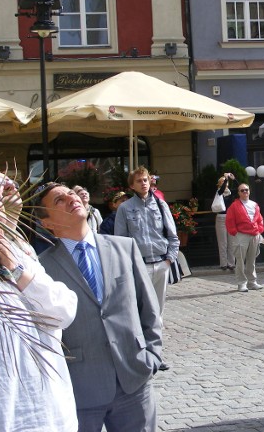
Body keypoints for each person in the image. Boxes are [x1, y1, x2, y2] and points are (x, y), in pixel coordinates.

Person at [35, 182, 163, 431]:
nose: (71, 198)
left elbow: (149, 308)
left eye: (70, 193)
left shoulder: (124, 247)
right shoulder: (41, 268)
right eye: (59, 200)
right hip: (79, 389)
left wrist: (152, 356)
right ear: (47, 223)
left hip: (134, 380)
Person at [0, 178, 79, 432]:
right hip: (0, 422)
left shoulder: (19, 257)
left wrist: (18, 271)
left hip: (56, 417)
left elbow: (64, 311)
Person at [115, 166, 179, 331]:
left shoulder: (160, 205)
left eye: (145, 180)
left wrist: (169, 260)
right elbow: (121, 241)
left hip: (161, 262)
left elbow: (172, 235)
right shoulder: (125, 208)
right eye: (139, 181)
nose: (143, 183)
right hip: (140, 264)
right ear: (132, 186)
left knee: (158, 308)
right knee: (140, 304)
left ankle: (156, 338)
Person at [226, 183, 264, 292]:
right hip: (241, 235)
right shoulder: (234, 206)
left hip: (254, 235)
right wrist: (234, 232)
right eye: (242, 190)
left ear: (249, 191)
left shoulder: (255, 205)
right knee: (240, 260)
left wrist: (260, 228)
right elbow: (230, 220)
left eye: (246, 190)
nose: (245, 192)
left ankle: (252, 282)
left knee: (251, 260)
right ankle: (241, 283)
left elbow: (259, 219)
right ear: (238, 193)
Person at [214, 173, 236, 271]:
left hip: (230, 218)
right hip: (221, 218)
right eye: (223, 181)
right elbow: (222, 190)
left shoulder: (230, 192)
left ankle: (231, 263)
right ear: (220, 183)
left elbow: (239, 188)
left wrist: (233, 179)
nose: (225, 183)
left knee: (231, 242)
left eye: (225, 181)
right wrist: (226, 179)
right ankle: (223, 264)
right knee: (223, 242)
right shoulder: (219, 192)